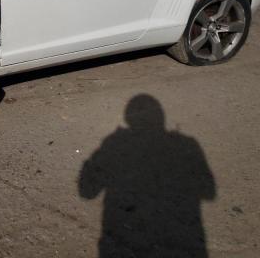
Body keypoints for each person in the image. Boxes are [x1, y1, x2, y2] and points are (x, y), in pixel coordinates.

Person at [79, 94, 216, 257]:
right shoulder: (187, 144)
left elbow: (86, 191)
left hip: (123, 244)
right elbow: (209, 192)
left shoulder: (113, 143)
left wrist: (92, 162)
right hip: (178, 243)